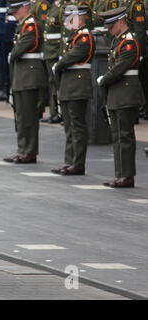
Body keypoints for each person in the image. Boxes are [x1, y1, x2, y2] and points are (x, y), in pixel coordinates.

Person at [97, 6, 144, 188]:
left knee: (124, 136)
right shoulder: (118, 40)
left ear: (121, 22)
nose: (109, 30)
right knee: (117, 136)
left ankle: (127, 175)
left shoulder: (129, 42)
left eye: (111, 25)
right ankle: (120, 174)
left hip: (126, 93)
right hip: (117, 94)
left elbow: (119, 69)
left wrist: (103, 80)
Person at [51, 5, 95, 175]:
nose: (68, 22)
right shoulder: (74, 36)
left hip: (77, 84)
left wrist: (58, 65)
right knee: (69, 126)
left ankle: (77, 163)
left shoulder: (84, 37)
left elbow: (70, 58)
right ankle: (69, 161)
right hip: (68, 84)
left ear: (81, 18)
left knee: (77, 126)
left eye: (72, 18)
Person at [3, 0, 47, 163]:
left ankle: (29, 151)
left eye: (16, 10)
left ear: (25, 7)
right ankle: (22, 149)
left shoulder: (31, 25)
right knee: (21, 116)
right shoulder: (23, 25)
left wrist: (12, 54)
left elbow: (21, 48)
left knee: (29, 116)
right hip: (22, 75)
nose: (14, 13)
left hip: (29, 75)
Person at [40, 0, 63, 124]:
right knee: (52, 81)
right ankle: (54, 112)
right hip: (49, 49)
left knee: (56, 82)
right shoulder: (53, 6)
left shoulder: (62, 7)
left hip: (55, 49)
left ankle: (59, 112)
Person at [0, 0, 17, 102]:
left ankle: (9, 90)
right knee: (4, 64)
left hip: (10, 32)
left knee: (9, 65)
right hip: (3, 31)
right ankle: (6, 89)